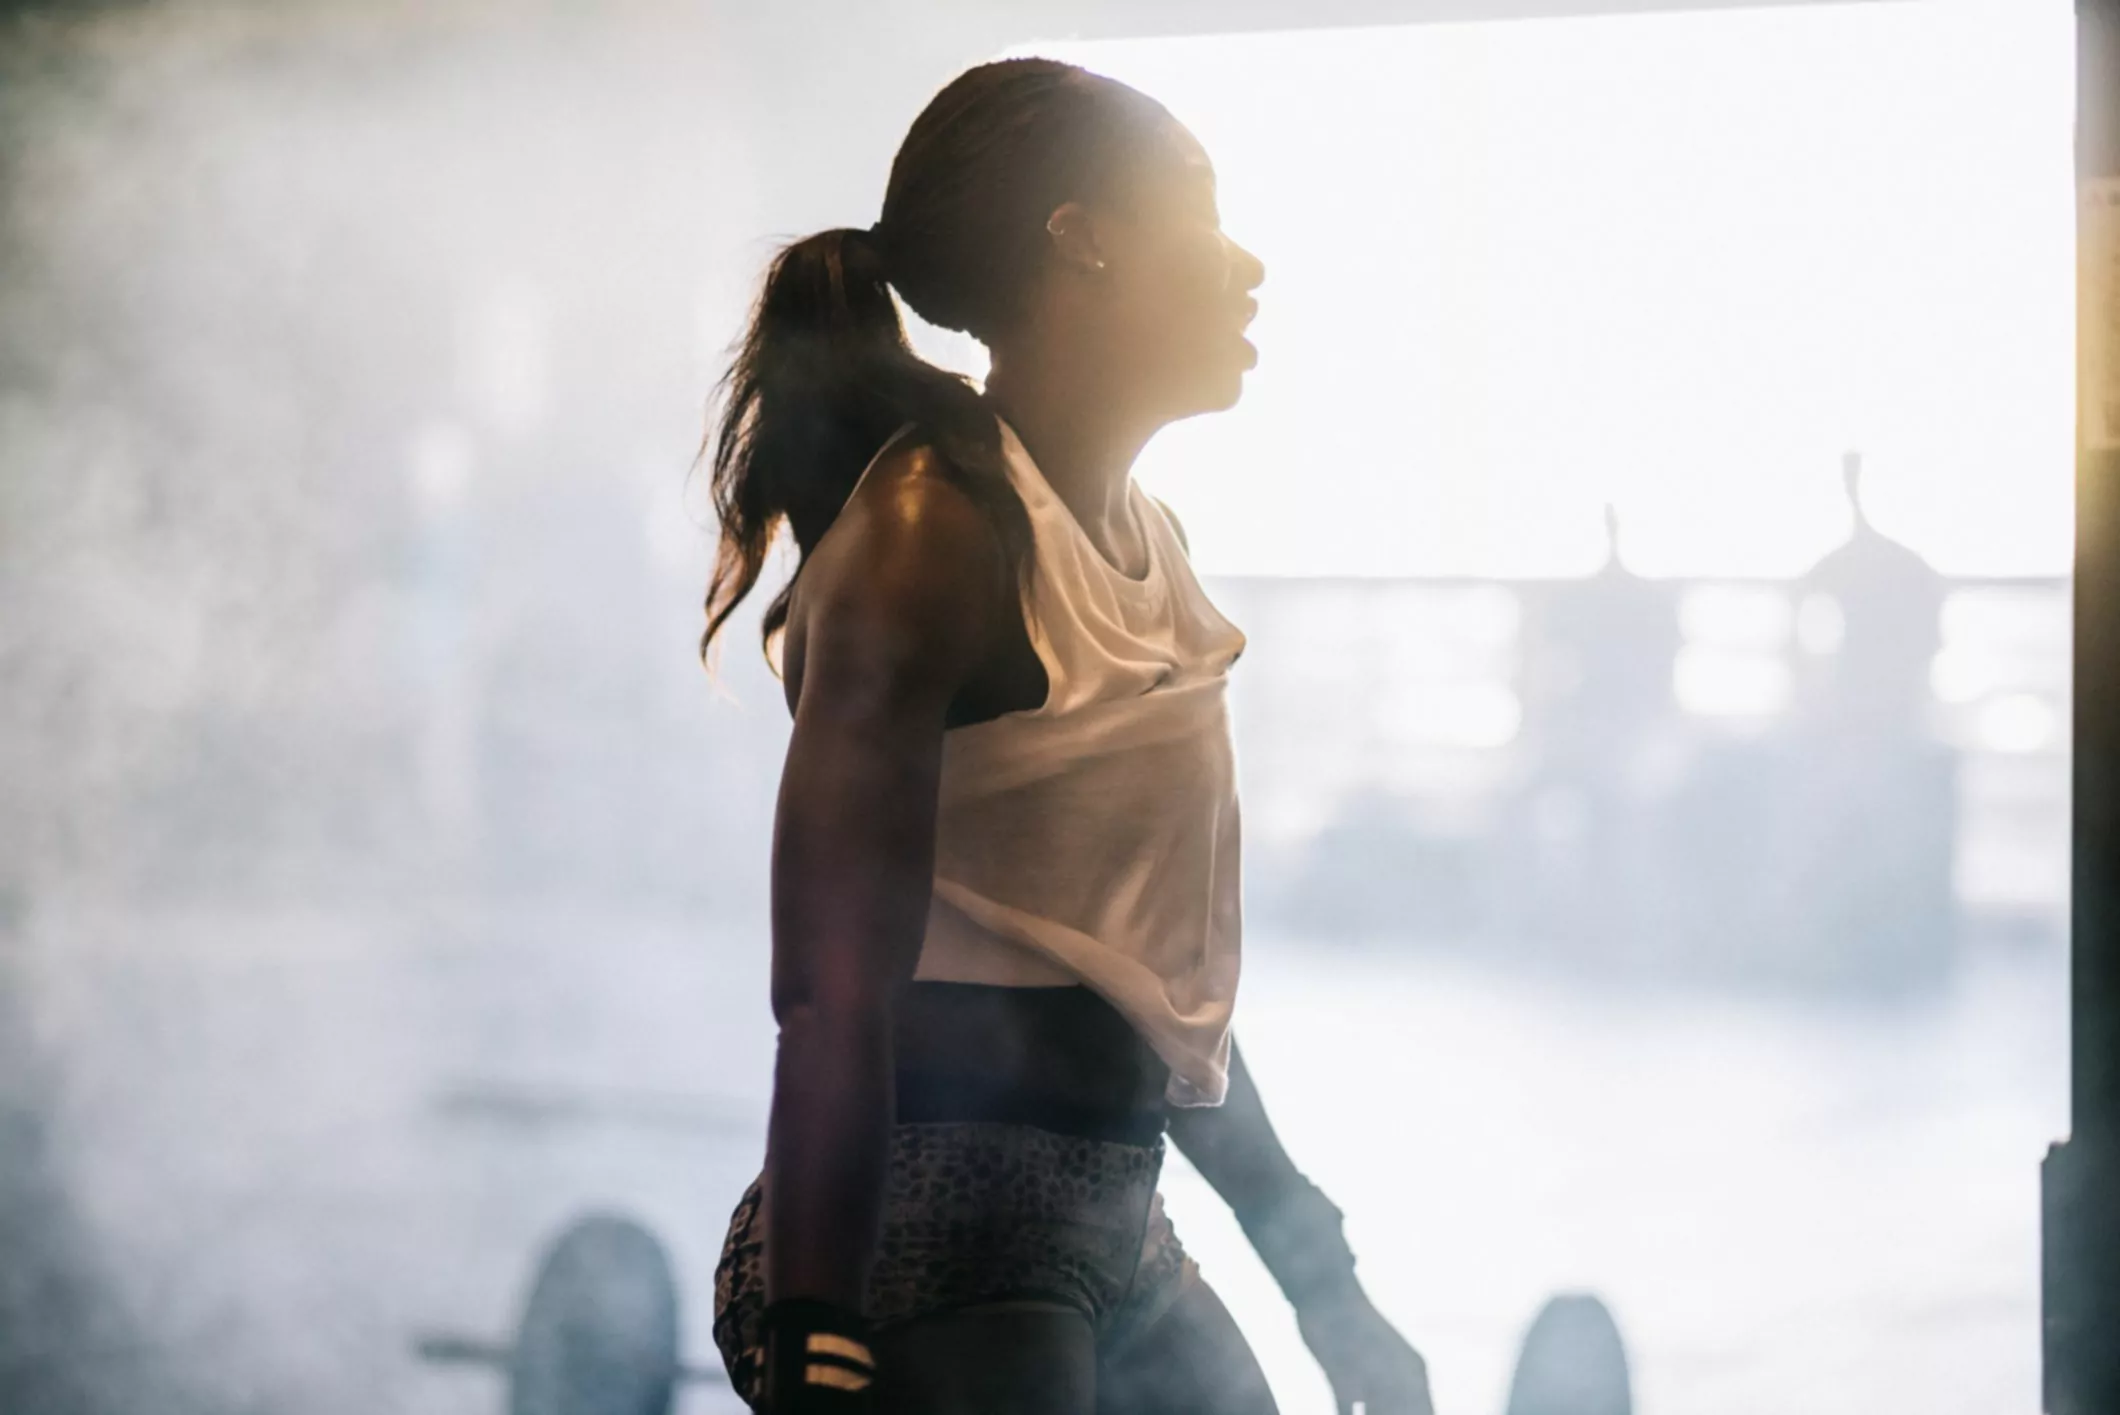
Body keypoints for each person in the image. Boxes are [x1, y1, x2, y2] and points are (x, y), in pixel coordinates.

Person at [700, 58, 1433, 1415]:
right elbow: (829, 993)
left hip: (1111, 1219)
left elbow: (1161, 996)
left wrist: (1329, 1291)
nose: (1248, 264)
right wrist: (817, 1336)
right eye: (1202, 214)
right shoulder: (932, 536)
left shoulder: (1153, 547)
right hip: (919, 1227)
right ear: (1082, 236)